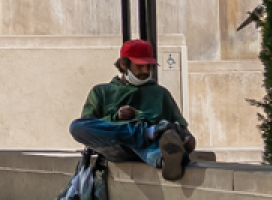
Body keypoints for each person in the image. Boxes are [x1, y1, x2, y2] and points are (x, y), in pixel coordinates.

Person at [68, 39, 197, 181]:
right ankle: (147, 133)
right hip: (115, 145)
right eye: (140, 66)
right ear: (123, 64)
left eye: (149, 66)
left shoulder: (160, 93)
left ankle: (164, 156)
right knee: (77, 126)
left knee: (153, 149)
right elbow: (89, 124)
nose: (146, 71)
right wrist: (115, 118)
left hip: (149, 147)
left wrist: (188, 140)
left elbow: (181, 128)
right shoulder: (101, 92)